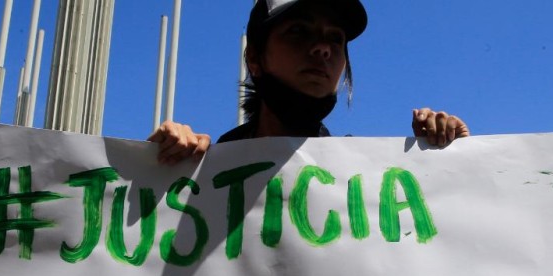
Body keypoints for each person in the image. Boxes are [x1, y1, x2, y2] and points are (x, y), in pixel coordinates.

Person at [148, 0, 468, 163]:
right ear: (254, 59)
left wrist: (450, 160)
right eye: (298, 31)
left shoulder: (363, 176)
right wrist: (152, 166)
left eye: (335, 39)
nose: (322, 48)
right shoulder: (202, 175)